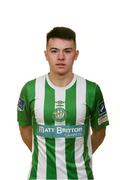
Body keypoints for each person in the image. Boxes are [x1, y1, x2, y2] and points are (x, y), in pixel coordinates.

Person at [17, 27, 109, 180]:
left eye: (67, 51)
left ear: (76, 54)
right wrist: (42, 155)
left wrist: (79, 153)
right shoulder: (30, 89)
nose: (60, 57)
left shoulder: (91, 90)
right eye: (54, 51)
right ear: (46, 55)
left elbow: (100, 132)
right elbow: (24, 128)